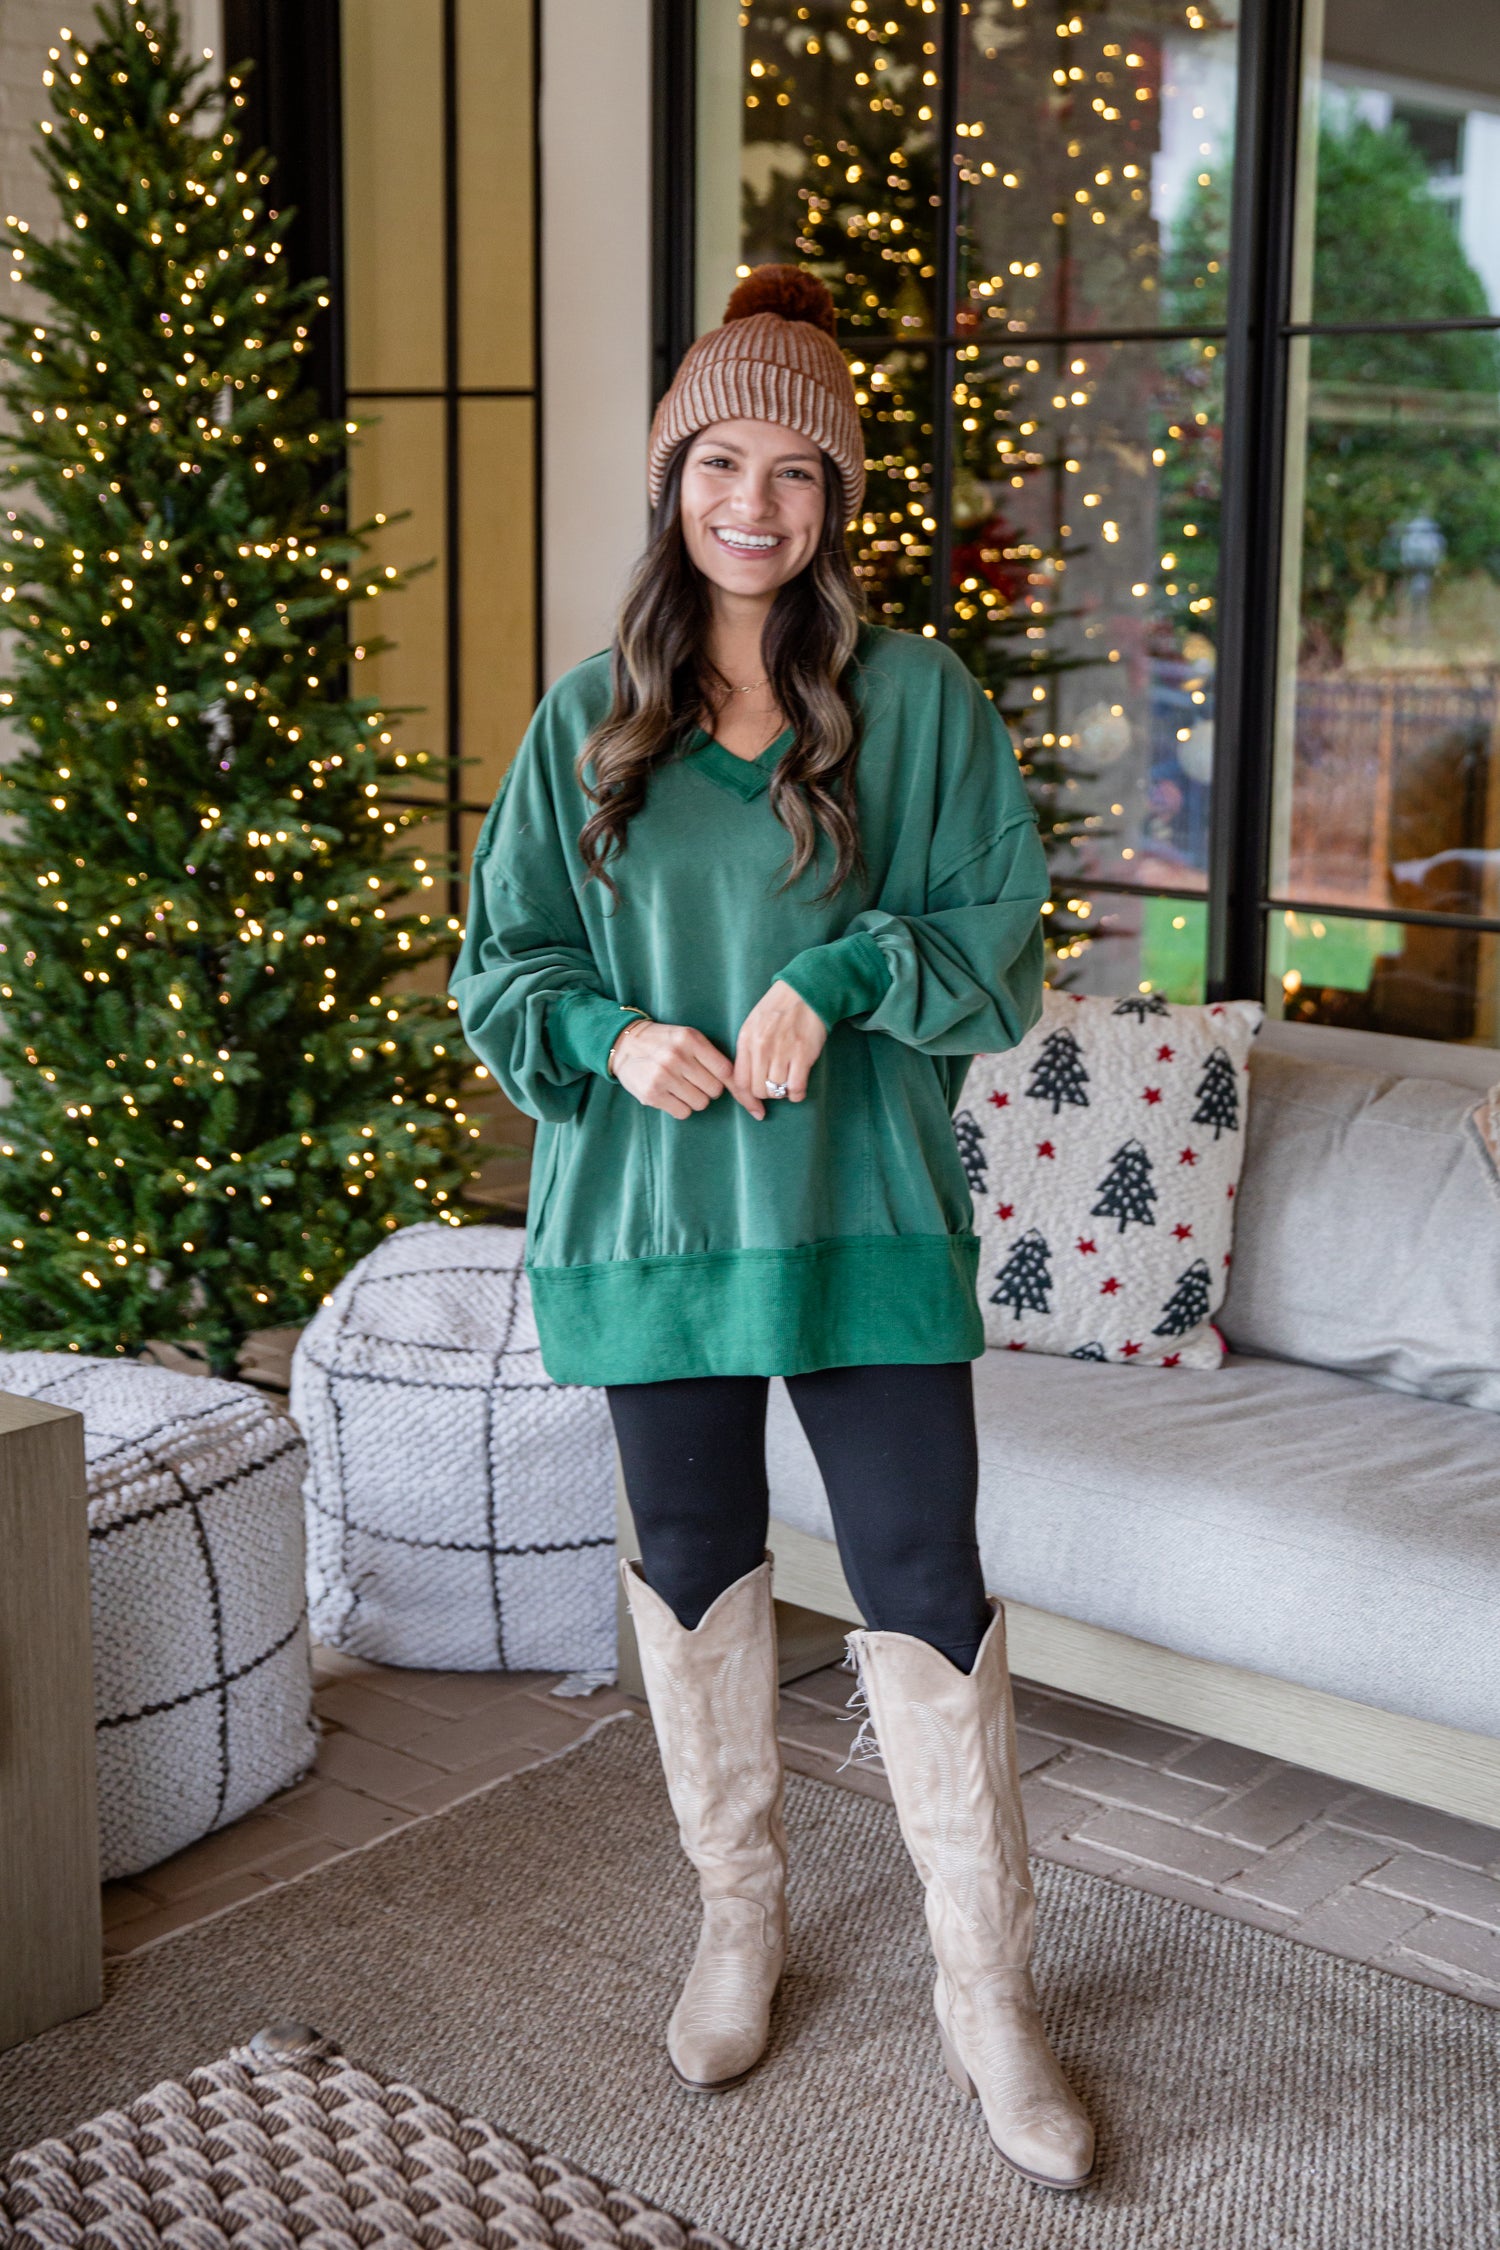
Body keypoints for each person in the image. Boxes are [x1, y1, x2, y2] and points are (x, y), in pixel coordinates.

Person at [450, 267, 1095, 2193]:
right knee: (700, 1567)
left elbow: (997, 962)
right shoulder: (589, 722)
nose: (755, 500)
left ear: (834, 499)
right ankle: (740, 1921)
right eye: (720, 458)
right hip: (653, 1226)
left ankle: (988, 1992)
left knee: (920, 1574)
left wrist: (847, 969)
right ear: (673, 479)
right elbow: (505, 973)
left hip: (863, 1212)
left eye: (795, 469)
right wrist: (606, 1028)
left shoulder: (921, 706)